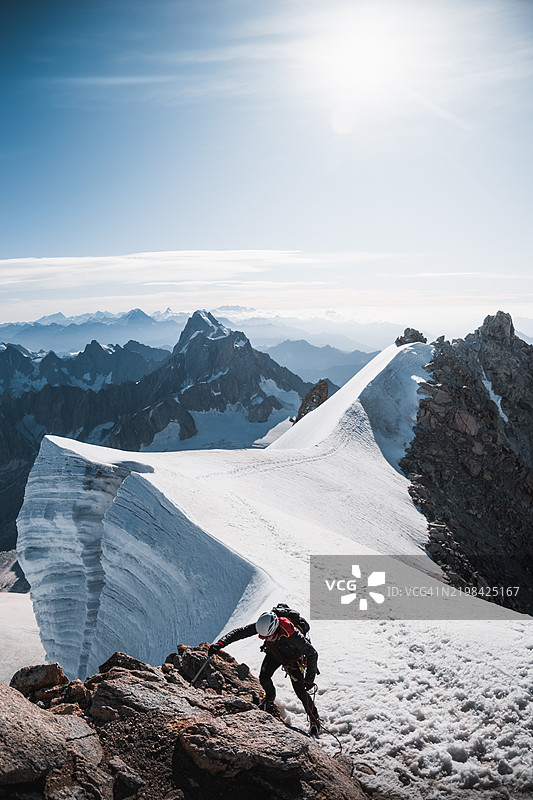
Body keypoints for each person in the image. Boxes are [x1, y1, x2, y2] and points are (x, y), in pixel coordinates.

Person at [209, 610, 321, 735]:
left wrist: (309, 680)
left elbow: (312, 654)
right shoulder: (262, 625)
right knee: (264, 677)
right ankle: (269, 699)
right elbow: (239, 632)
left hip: (293, 660)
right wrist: (220, 643)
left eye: (267, 637)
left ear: (274, 629)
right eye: (262, 637)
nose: (264, 639)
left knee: (300, 691)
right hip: (275, 654)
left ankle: (314, 721)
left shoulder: (292, 634)